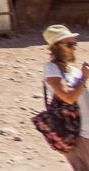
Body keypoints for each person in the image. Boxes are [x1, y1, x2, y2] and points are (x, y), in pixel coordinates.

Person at [44, 25, 89, 168]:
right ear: (56, 47)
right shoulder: (51, 68)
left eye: (74, 43)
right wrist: (84, 78)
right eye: (69, 44)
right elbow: (68, 97)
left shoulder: (74, 71)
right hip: (79, 136)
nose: (74, 48)